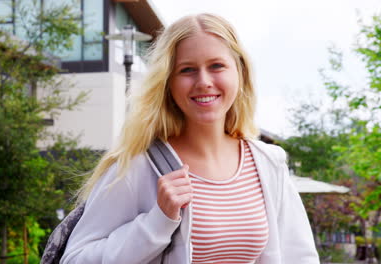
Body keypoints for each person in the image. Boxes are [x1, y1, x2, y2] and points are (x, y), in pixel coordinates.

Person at [60, 13, 319, 264]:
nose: (204, 81)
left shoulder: (268, 164)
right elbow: (75, 259)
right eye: (187, 70)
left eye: (217, 66)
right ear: (168, 83)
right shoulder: (139, 167)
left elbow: (299, 257)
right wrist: (157, 221)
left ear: (239, 72)